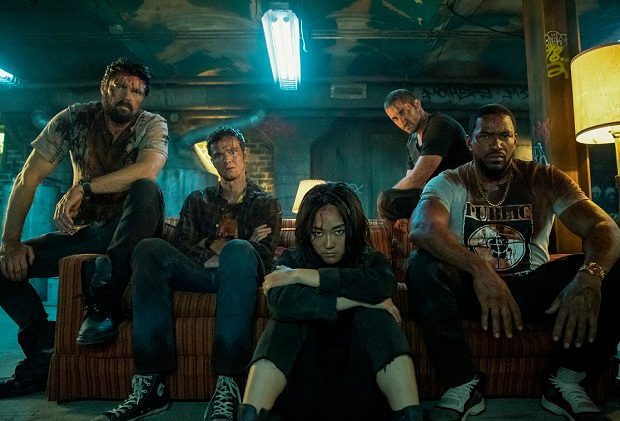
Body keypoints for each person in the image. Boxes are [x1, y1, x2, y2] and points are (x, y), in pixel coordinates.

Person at [406, 104, 620, 420]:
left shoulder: (544, 178)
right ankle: (462, 383)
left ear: (514, 139)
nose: (496, 144)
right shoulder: (450, 181)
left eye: (504, 135)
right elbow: (422, 228)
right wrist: (480, 269)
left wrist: (589, 275)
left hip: (531, 289)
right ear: (470, 142)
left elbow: (604, 228)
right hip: (474, 291)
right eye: (485, 136)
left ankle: (565, 383)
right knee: (420, 265)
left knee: (612, 267)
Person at [0, 57, 168, 398]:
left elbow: (147, 169)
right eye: (120, 86)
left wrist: (84, 187)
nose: (128, 95)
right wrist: (11, 242)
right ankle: (43, 349)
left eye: (137, 91)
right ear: (104, 88)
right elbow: (28, 177)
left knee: (147, 189)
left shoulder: (151, 124)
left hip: (131, 234)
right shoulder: (74, 119)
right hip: (85, 233)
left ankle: (102, 303)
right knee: (2, 269)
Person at [92, 126, 282, 421]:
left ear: (244, 155)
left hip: (240, 278)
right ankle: (150, 383)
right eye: (218, 155)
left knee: (238, 251)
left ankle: (228, 383)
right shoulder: (198, 200)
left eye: (232, 152)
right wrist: (218, 247)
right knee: (148, 248)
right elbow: (182, 245)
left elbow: (265, 254)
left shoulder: (266, 203)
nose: (227, 159)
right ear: (212, 161)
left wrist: (221, 247)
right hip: (200, 274)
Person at [239, 182, 424, 421]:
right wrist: (359, 301)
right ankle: (251, 414)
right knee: (286, 321)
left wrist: (306, 276)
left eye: (339, 232)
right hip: (302, 390)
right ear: (307, 232)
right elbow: (282, 303)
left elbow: (384, 284)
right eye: (318, 233)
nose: (328, 244)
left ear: (352, 230)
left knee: (379, 317)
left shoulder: (366, 258)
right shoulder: (292, 259)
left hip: (360, 391)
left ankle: (409, 414)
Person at [378, 89, 471, 223]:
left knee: (386, 200)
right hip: (436, 195)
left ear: (417, 105)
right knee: (391, 201)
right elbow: (409, 183)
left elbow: (417, 179)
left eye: (403, 112)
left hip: (461, 194)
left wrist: (387, 198)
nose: (402, 121)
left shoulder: (439, 125)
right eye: (395, 119)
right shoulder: (412, 142)